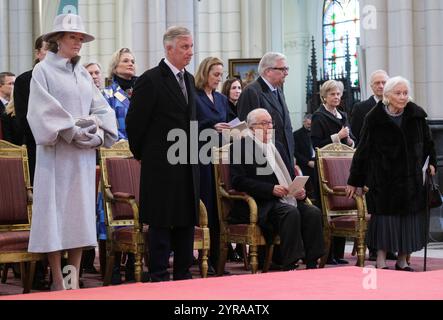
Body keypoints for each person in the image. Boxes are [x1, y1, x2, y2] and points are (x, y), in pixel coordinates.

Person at [27, 13, 118, 291]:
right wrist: (73, 129)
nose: (78, 42)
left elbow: (101, 108)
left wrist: (97, 131)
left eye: (80, 38)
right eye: (72, 37)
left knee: (78, 218)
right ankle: (58, 279)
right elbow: (42, 112)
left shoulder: (81, 72)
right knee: (54, 218)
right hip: (55, 155)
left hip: (81, 156)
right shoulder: (42, 70)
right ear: (58, 40)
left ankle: (73, 277)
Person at [126, 26, 199, 282]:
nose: (190, 52)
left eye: (191, 46)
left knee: (185, 219)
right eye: (185, 47)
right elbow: (134, 123)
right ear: (169, 48)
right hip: (160, 164)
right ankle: (157, 275)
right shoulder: (151, 79)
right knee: (160, 220)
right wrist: (144, 154)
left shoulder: (189, 80)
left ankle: (183, 272)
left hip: (186, 161)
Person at [346, 76, 436, 271]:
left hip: (411, 179)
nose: (403, 97)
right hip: (384, 181)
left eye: (405, 93)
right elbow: (363, 151)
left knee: (408, 222)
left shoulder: (416, 115)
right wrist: (355, 181)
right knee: (386, 222)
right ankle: (380, 260)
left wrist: (432, 163)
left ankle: (402, 261)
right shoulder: (374, 117)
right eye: (398, 93)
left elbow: (429, 143)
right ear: (387, 96)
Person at [230, 108, 324, 270]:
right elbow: (238, 181)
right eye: (264, 123)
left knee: (312, 212)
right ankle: (290, 263)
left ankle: (312, 262)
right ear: (252, 127)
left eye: (270, 123)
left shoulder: (278, 146)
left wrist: (298, 191)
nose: (269, 127)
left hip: (285, 198)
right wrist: (270, 189)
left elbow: (286, 176)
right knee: (290, 212)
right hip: (261, 202)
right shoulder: (241, 147)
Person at [103, 48, 138, 284]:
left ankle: (134, 266)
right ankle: (113, 268)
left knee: (139, 209)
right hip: (114, 158)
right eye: (126, 60)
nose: (131, 64)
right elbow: (106, 125)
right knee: (116, 210)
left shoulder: (141, 91)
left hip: (138, 157)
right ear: (115, 66)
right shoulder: (107, 93)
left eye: (133, 61)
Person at [311, 79, 354, 265]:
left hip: (341, 166)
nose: (336, 97)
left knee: (342, 207)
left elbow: (349, 139)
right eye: (332, 94)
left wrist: (350, 141)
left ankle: (338, 254)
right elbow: (316, 143)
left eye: (338, 94)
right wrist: (338, 137)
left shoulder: (342, 115)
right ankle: (327, 254)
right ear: (324, 96)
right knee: (327, 210)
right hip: (324, 169)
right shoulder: (318, 116)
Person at [194, 56, 231, 273]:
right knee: (206, 209)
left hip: (221, 159)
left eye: (221, 75)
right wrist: (211, 128)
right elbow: (188, 128)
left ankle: (218, 261)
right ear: (205, 74)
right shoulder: (195, 97)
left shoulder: (221, 99)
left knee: (220, 210)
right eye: (216, 74)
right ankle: (203, 259)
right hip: (201, 158)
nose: (219, 79)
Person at [237, 52, 295, 177]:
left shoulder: (278, 90)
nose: (287, 73)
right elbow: (246, 131)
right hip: (264, 159)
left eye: (287, 69)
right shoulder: (251, 91)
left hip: (283, 154)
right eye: (283, 69)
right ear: (268, 71)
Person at [14, 36, 48, 185]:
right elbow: (23, 117)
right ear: (38, 53)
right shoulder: (24, 80)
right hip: (37, 145)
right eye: (48, 49)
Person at [351, 70, 389, 146]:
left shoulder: (396, 105)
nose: (381, 86)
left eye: (384, 82)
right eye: (377, 83)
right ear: (371, 86)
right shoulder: (360, 108)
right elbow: (355, 136)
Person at [293, 114, 315, 199]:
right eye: (308, 124)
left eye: (312, 125)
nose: (310, 127)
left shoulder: (316, 132)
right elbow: (295, 152)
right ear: (304, 122)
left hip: (316, 162)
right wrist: (307, 162)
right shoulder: (296, 134)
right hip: (304, 164)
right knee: (307, 188)